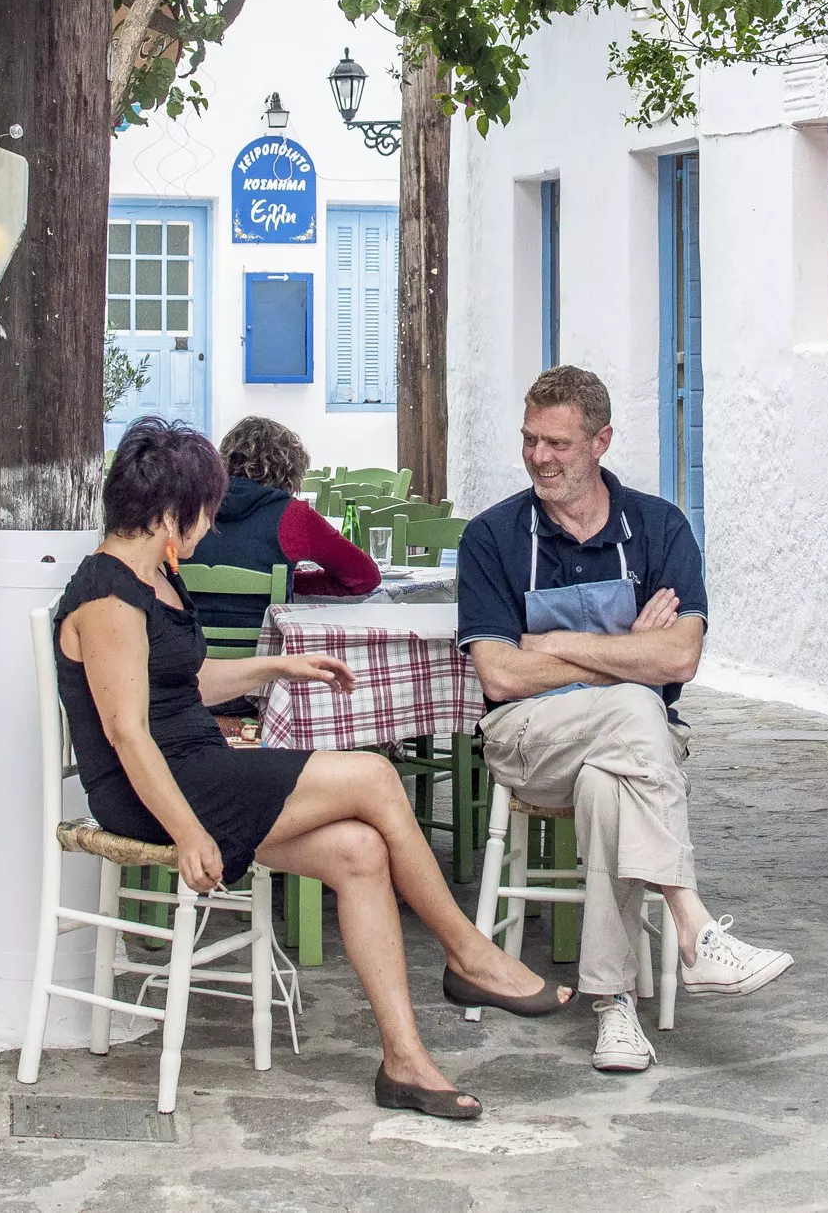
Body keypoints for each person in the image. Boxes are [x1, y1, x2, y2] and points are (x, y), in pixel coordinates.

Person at [55, 415, 574, 1120]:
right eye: (205, 512)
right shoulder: (109, 596)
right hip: (158, 790)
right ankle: (467, 952)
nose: (211, 526)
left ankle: (406, 1064)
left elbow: (184, 683)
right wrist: (188, 834)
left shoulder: (153, 576)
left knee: (360, 852)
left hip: (196, 768)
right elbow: (127, 734)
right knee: (374, 776)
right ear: (171, 513)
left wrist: (276, 664)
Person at [456, 364, 794, 1075]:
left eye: (558, 443)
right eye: (530, 441)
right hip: (528, 741)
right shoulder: (493, 537)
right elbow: (501, 674)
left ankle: (612, 1008)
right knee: (637, 704)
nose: (539, 458)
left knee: (613, 783)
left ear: (601, 441)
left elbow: (681, 657)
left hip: (626, 753)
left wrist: (561, 645)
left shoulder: (658, 527)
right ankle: (694, 925)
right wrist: (627, 655)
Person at [190, 416, 380, 637]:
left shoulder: (190, 508)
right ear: (291, 468)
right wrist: (288, 583)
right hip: (267, 653)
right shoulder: (294, 516)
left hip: (191, 651)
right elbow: (365, 577)